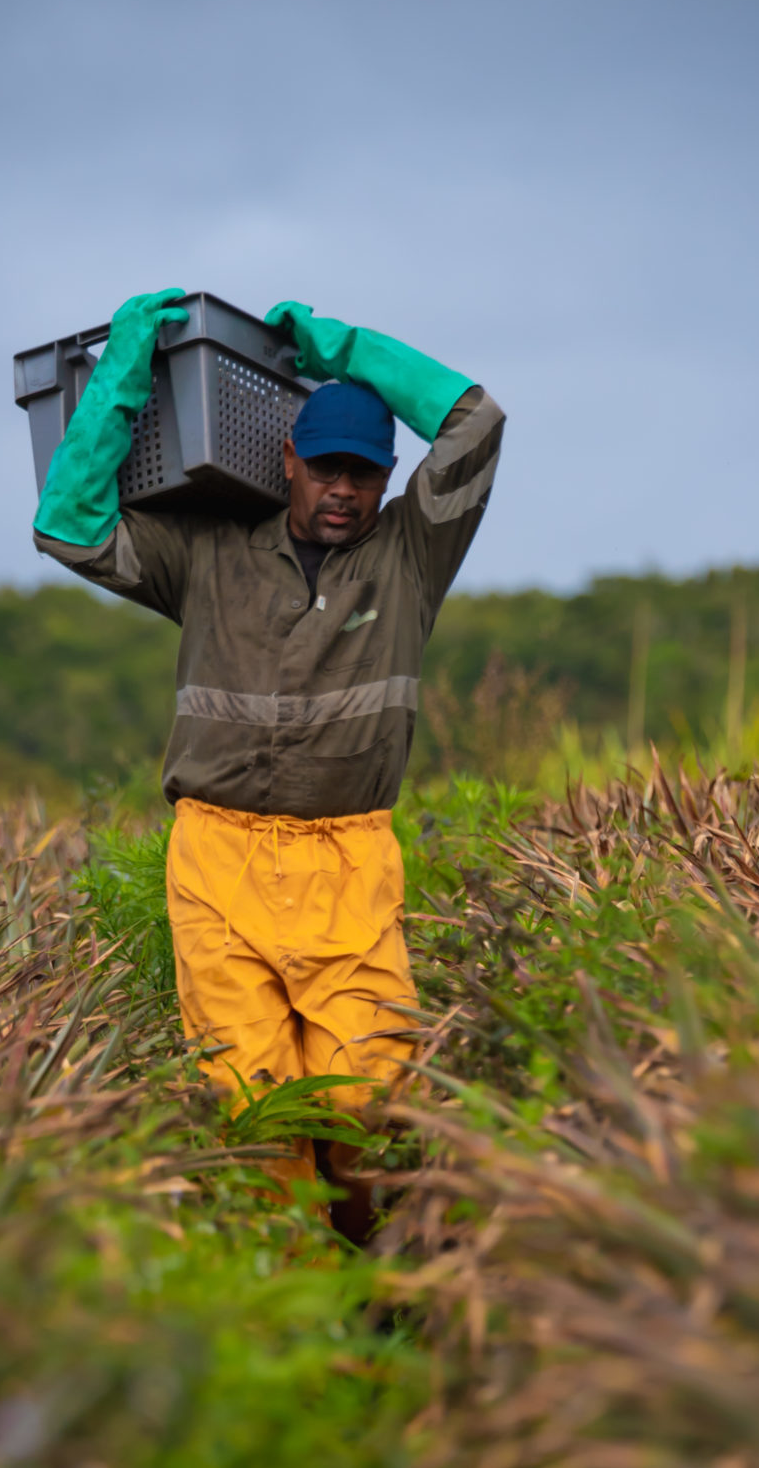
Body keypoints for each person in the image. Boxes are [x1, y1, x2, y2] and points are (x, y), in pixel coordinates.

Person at [32, 292, 503, 1237]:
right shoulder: (207, 553)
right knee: (255, 1108)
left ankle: (378, 1263)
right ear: (284, 461)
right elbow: (68, 528)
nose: (342, 490)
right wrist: (126, 368)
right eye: (325, 468)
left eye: (363, 475)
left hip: (347, 864)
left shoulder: (411, 553)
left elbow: (475, 420)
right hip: (216, 861)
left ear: (385, 479)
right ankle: (307, 1302)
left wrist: (343, 348)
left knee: (372, 1094)